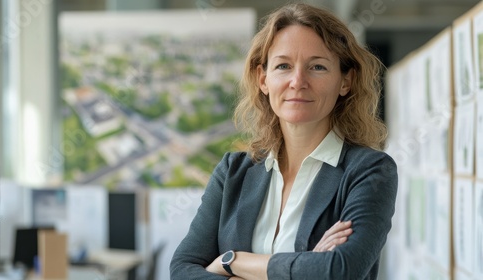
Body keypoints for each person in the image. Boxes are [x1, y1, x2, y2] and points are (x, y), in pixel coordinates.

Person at [170, 3, 398, 280]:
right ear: (263, 80)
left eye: (317, 66)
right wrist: (305, 265)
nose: (297, 81)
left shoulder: (370, 171)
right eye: (283, 66)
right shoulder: (232, 172)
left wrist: (232, 262)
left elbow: (339, 270)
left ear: (345, 81)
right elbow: (182, 270)